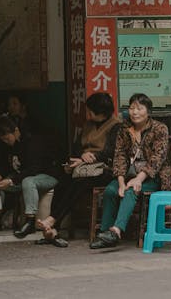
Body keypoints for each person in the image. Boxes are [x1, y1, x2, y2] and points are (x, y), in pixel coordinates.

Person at [36, 92, 123, 248]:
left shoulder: (116, 126)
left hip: (104, 170)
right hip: (84, 167)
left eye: (90, 111)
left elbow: (111, 151)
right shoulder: (88, 124)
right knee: (62, 183)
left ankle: (52, 220)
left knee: (79, 183)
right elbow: (76, 147)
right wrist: (82, 155)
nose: (87, 113)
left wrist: (92, 157)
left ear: (101, 113)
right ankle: (53, 230)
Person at [89, 93, 170, 249]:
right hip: (129, 174)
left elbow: (157, 159)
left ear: (148, 111)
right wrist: (120, 181)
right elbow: (119, 156)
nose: (135, 112)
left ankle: (116, 230)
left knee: (131, 190)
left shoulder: (160, 129)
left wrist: (139, 179)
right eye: (132, 108)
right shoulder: (124, 129)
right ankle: (106, 233)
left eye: (139, 108)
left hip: (152, 177)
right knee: (111, 190)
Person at [0, 114, 62, 235]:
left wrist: (11, 181)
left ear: (16, 131)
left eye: (7, 138)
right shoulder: (9, 146)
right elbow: (6, 165)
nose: (6, 142)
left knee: (28, 181)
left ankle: (30, 221)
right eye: (3, 140)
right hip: (22, 178)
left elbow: (34, 169)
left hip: (46, 176)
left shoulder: (32, 142)